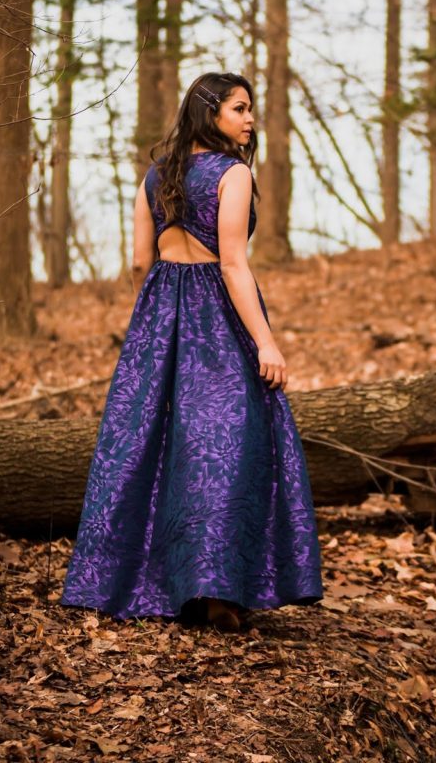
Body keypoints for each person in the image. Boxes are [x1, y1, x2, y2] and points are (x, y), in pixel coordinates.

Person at [60, 71, 323, 632]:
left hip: (159, 313)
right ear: (210, 112)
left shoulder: (155, 174)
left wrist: (151, 321)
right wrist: (266, 342)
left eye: (250, 109)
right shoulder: (233, 174)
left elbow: (140, 262)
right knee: (228, 445)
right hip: (215, 317)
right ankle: (217, 590)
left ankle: (121, 581)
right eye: (239, 108)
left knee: (150, 446)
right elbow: (233, 264)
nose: (250, 119)